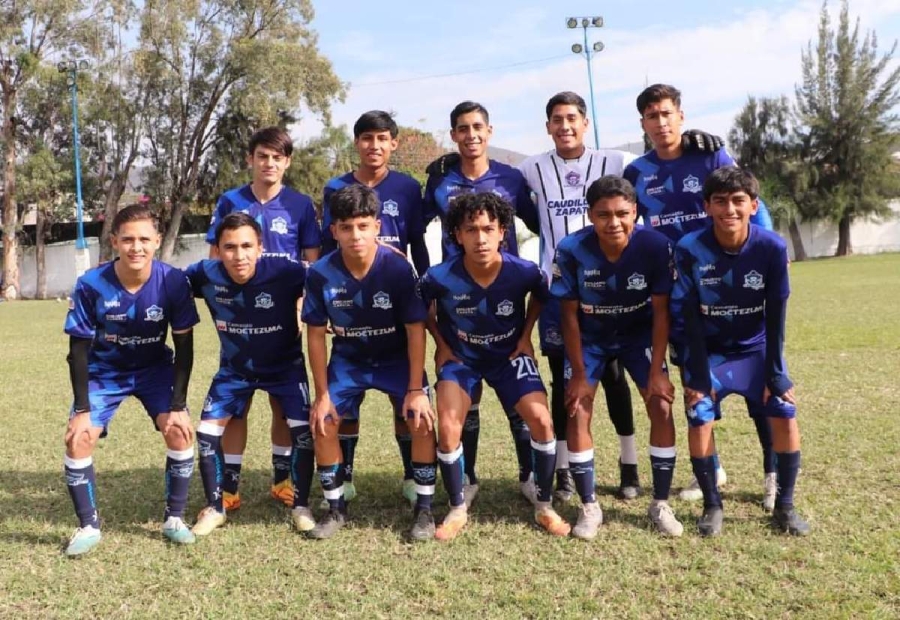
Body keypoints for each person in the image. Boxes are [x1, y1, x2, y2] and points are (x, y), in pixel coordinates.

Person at [519, 91, 730, 501]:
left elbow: (670, 162)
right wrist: (450, 165)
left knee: (660, 379)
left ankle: (633, 466)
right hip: (568, 293)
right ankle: (565, 471)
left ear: (585, 123)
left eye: (572, 118)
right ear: (547, 127)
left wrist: (695, 139)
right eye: (556, 120)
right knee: (570, 386)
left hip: (645, 289)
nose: (565, 126)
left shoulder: (618, 163)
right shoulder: (529, 168)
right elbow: (508, 193)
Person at [623, 84, 777, 506]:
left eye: (667, 113)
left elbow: (752, 206)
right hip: (683, 295)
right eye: (652, 116)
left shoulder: (710, 155)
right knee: (697, 383)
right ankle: (712, 468)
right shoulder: (637, 173)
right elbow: (632, 225)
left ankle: (772, 473)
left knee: (758, 380)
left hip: (732, 287)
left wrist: (764, 253)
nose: (661, 122)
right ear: (643, 123)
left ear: (681, 115)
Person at [419, 191, 570, 541]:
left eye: (489, 228)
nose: (480, 237)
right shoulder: (439, 276)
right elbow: (420, 308)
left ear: (503, 231)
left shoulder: (523, 272)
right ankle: (458, 505)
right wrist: (441, 344)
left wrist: (526, 335)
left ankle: (543, 503)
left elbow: (541, 296)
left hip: (508, 358)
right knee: (448, 423)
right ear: (457, 235)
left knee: (542, 419)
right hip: (462, 360)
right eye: (471, 230)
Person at [670, 167, 810, 537]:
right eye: (720, 201)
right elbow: (687, 317)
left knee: (783, 408)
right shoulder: (689, 248)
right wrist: (697, 376)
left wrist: (775, 373)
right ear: (707, 206)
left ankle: (785, 505)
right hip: (710, 353)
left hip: (754, 351)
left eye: (737, 201)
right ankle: (712, 504)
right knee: (699, 414)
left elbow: (776, 315)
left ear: (753, 205)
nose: (729, 209)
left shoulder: (771, 247)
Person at [62, 205, 199, 556]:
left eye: (143, 239)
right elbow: (77, 351)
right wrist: (80, 409)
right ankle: (88, 526)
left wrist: (179, 406)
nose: (136, 247)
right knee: (79, 438)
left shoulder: (172, 282)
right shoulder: (91, 284)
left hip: (155, 369)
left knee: (180, 430)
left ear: (156, 241)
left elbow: (184, 348)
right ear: (114, 242)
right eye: (128, 240)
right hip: (105, 372)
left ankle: (174, 519)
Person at [423, 101, 541, 506]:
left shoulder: (510, 177)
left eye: (478, 127)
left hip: (504, 293)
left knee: (517, 398)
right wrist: (423, 271)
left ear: (490, 131)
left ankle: (530, 475)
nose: (471, 135)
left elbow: (539, 222)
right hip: (458, 294)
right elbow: (412, 226)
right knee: (462, 398)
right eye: (462, 129)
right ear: (453, 135)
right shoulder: (440, 181)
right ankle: (467, 477)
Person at [303, 184, 437, 540]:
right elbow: (315, 334)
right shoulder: (320, 273)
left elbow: (415, 329)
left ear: (377, 226)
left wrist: (415, 388)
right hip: (350, 359)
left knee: (421, 418)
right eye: (346, 228)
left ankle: (424, 508)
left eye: (363, 226)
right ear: (334, 231)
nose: (355, 235)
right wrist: (321, 394)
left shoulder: (396, 267)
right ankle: (335, 507)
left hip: (395, 358)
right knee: (323, 420)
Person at [551, 176, 682, 539]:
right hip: (590, 338)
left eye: (623, 214)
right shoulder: (571, 248)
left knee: (661, 404)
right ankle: (589, 506)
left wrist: (657, 370)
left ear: (635, 212)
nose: (614, 223)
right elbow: (568, 316)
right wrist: (578, 372)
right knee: (577, 407)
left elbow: (661, 313)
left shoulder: (656, 246)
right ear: (590, 215)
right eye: (604, 214)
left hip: (638, 334)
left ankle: (659, 502)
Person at [204, 126, 321, 512]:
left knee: (282, 404)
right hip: (237, 320)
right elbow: (212, 258)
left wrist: (309, 306)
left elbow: (312, 262)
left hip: (282, 317)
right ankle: (231, 486)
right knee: (237, 406)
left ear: (287, 162)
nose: (269, 163)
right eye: (262, 156)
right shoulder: (230, 200)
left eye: (277, 157)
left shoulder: (301, 205)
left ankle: (282, 479)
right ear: (250, 159)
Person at [320, 111, 430, 508]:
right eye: (367, 138)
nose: (375, 145)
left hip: (395, 295)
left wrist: (424, 286)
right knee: (345, 404)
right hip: (348, 303)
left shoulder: (406, 187)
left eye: (383, 138)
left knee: (405, 400)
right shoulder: (335, 187)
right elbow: (323, 246)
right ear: (357, 143)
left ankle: (410, 475)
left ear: (394, 143)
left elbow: (417, 241)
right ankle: (344, 476)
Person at [186, 213, 315, 537]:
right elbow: (160, 280)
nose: (239, 255)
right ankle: (217, 505)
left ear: (260, 248)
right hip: (235, 370)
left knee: (302, 430)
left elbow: (331, 273)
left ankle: (299, 504)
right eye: (229, 247)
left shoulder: (287, 270)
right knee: (205, 435)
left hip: (285, 367)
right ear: (218, 250)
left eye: (246, 246)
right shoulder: (204, 274)